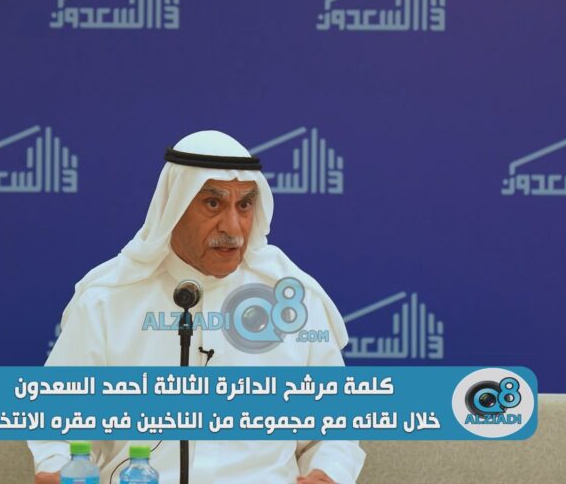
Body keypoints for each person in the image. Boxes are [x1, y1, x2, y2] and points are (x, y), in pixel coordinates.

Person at [29, 130, 365, 484]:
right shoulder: (108, 301)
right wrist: (59, 468)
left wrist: (327, 473)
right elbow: (58, 423)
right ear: (174, 207)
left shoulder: (293, 301)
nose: (233, 227)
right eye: (213, 204)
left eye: (244, 205)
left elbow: (335, 429)